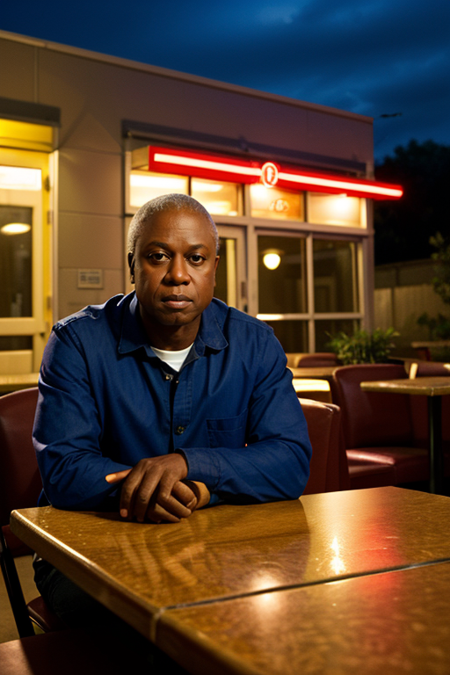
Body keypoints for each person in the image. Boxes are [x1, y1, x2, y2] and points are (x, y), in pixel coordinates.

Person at [32, 193, 312, 631]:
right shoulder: (76, 343)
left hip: (214, 545)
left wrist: (192, 469)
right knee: (150, 627)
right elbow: (66, 470)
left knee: (279, 613)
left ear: (214, 269)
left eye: (196, 258)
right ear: (132, 265)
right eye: (158, 256)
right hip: (89, 551)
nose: (178, 275)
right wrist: (166, 489)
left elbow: (291, 461)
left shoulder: (255, 345)